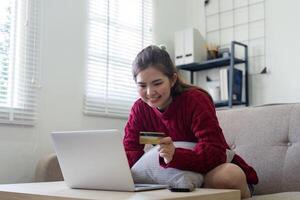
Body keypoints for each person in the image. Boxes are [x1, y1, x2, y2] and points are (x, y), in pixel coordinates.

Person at [123, 45, 258, 198]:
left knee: (228, 175)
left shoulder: (195, 100)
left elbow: (215, 152)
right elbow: (130, 150)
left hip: (216, 173)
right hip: (176, 177)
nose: (149, 92)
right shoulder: (140, 109)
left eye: (157, 83)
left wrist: (175, 156)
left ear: (172, 79)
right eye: (142, 85)